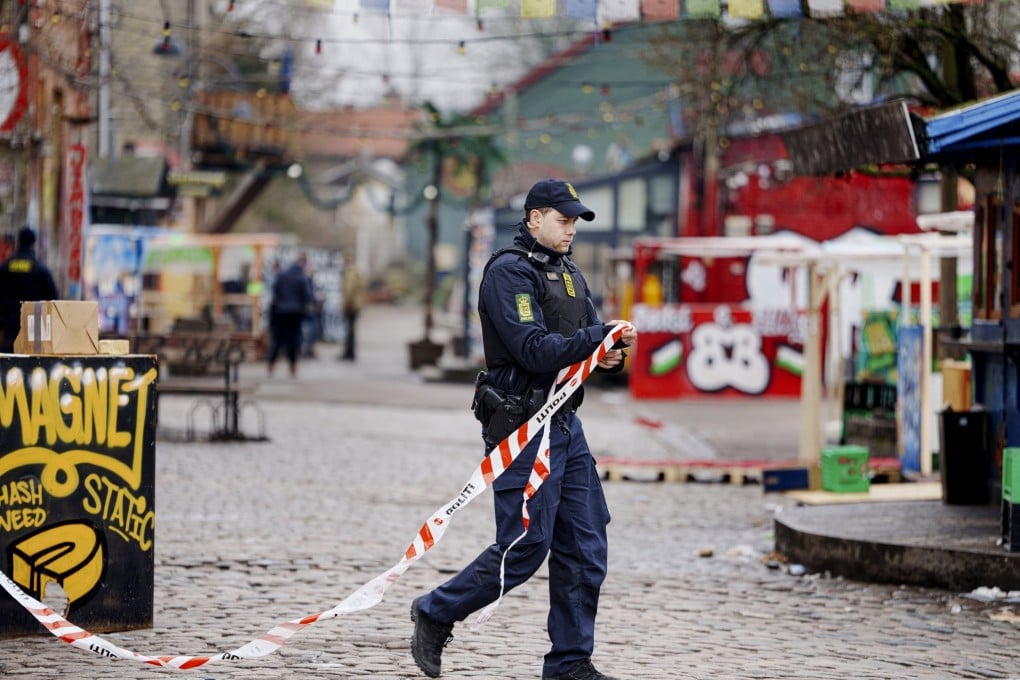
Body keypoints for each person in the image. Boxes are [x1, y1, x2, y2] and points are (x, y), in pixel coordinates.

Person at [409, 179, 638, 680]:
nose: (571, 229)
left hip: (565, 426)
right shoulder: (508, 273)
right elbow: (534, 348)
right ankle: (436, 611)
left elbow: (587, 344)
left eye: (575, 221)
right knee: (524, 544)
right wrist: (597, 339)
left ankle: (569, 663)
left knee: (585, 542)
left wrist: (610, 354)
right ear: (534, 218)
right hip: (521, 426)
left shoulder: (571, 273)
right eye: (563, 220)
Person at [0, 226, 58, 353]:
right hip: (33, 321)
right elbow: (53, 297)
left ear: (18, 241)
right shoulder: (39, 267)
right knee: (31, 357)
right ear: (33, 243)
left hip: (9, 321)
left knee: (8, 358)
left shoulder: (6, 266)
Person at [266, 253, 315, 377]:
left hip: (281, 311)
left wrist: (282, 300)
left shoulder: (282, 275)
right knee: (293, 340)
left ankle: (271, 364)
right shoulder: (302, 278)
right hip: (295, 313)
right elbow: (308, 296)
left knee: (277, 339)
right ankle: (292, 366)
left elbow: (274, 290)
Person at [339, 253, 366, 361]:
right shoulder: (356, 271)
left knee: (349, 330)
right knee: (351, 330)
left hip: (351, 305)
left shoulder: (351, 272)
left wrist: (345, 304)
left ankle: (349, 353)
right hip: (355, 304)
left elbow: (349, 290)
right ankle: (349, 353)